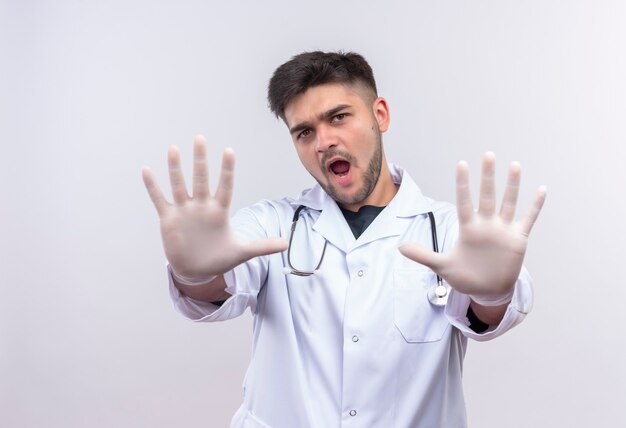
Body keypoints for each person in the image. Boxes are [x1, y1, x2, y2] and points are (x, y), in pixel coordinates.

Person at [142, 51, 546, 428]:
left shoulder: (448, 230)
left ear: (380, 115)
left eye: (338, 117)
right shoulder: (273, 224)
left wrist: (494, 296)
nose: (323, 142)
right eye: (304, 132)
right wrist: (193, 275)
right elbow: (216, 285)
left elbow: (489, 314)